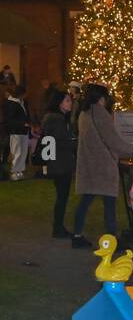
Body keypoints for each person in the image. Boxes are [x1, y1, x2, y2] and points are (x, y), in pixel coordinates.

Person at [71, 83, 133, 248]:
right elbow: (112, 139)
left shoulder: (84, 114)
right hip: (103, 165)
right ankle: (112, 240)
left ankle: (77, 235)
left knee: (86, 200)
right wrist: (132, 149)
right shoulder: (100, 114)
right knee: (109, 203)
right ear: (101, 98)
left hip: (89, 164)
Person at [41, 89, 76, 237]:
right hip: (60, 164)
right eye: (67, 100)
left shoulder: (55, 118)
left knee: (62, 196)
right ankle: (58, 228)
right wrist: (74, 143)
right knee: (62, 197)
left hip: (59, 162)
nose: (70, 103)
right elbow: (58, 142)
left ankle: (58, 227)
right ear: (59, 103)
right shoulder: (57, 119)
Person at [3, 82, 30, 180]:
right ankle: (14, 172)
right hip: (15, 131)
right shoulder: (10, 103)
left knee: (23, 152)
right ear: (20, 94)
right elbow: (9, 119)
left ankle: (19, 171)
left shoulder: (21, 102)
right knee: (16, 152)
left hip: (23, 131)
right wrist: (22, 124)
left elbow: (25, 115)